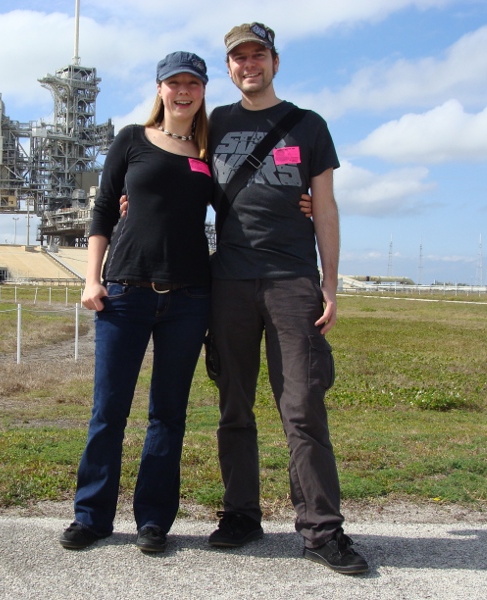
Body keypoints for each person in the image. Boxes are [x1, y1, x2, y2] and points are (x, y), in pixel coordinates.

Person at [206, 22, 369, 575]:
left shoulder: (309, 125)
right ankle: (240, 515)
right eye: (239, 57)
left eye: (259, 55)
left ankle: (322, 530)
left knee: (302, 407)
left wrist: (330, 283)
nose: (249, 64)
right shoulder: (214, 123)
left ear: (276, 62)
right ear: (229, 68)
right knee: (233, 406)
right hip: (228, 282)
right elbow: (177, 176)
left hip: (292, 281)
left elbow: (325, 207)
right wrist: (133, 198)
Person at [59, 51, 213, 553]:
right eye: (174, 83)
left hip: (189, 297)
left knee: (168, 414)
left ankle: (153, 521)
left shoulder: (210, 151)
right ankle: (92, 516)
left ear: (203, 90)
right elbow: (104, 208)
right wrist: (92, 279)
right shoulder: (131, 139)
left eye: (193, 83)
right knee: (109, 410)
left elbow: (240, 206)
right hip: (125, 291)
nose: (183, 91)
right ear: (160, 88)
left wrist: (296, 203)